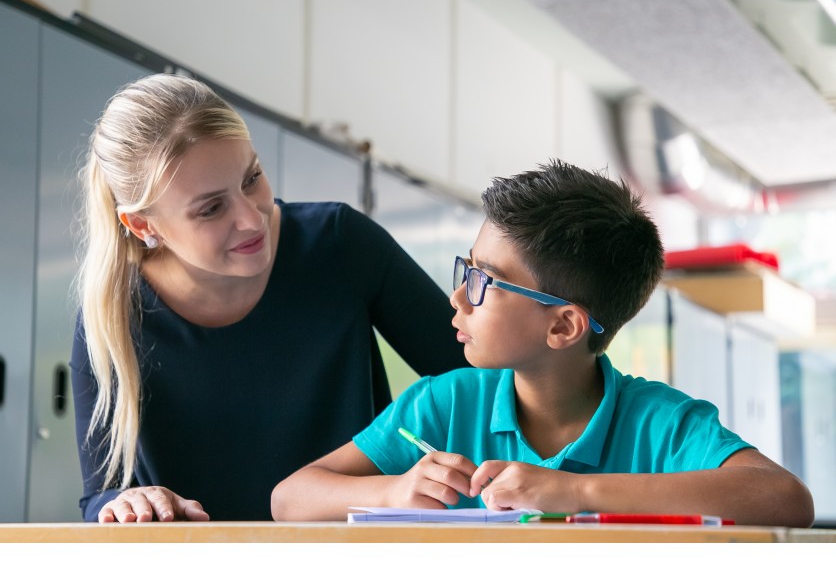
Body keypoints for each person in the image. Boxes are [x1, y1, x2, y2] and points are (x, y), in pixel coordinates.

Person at [270, 159, 815, 527]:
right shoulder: (444, 403)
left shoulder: (661, 425)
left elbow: (787, 500)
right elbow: (289, 498)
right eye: (467, 269)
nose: (458, 297)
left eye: (483, 281)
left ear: (563, 327)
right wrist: (389, 492)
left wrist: (575, 492)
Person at [70, 73, 470, 523]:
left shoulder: (339, 244)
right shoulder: (113, 311)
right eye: (211, 208)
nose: (251, 217)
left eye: (251, 178)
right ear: (144, 227)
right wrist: (123, 504)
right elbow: (99, 497)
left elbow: (485, 378)